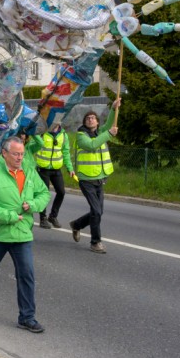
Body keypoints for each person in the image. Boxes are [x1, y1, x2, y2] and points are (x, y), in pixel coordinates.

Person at [0, 136, 50, 333]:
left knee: (26, 275)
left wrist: (33, 205)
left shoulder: (29, 171)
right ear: (4, 153)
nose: (20, 158)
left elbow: (44, 194)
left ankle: (27, 317)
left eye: (21, 154)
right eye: (16, 154)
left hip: (22, 234)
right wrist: (9, 216)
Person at [69, 99, 120, 254]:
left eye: (93, 118)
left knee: (98, 211)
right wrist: (109, 134)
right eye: (88, 118)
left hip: (100, 178)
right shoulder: (81, 135)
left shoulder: (100, 132)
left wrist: (113, 108)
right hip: (86, 179)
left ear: (97, 122)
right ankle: (95, 242)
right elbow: (92, 145)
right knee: (96, 211)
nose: (90, 119)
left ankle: (77, 224)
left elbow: (110, 122)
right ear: (85, 122)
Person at [26, 120, 73, 229]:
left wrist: (70, 168)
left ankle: (53, 216)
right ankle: (43, 218)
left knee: (61, 192)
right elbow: (32, 146)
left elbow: (65, 152)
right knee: (44, 194)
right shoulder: (42, 133)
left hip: (56, 169)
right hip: (43, 168)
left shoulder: (63, 135)